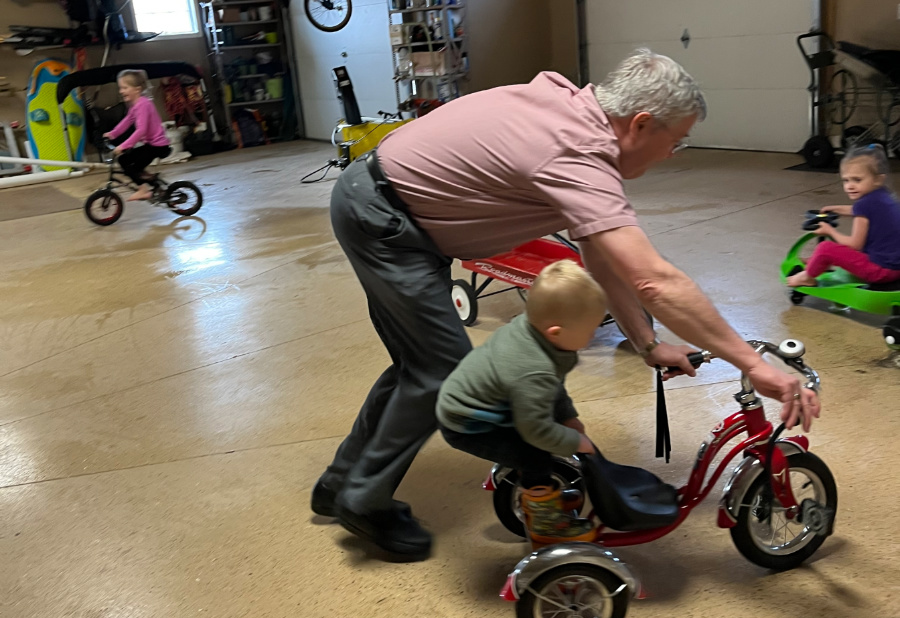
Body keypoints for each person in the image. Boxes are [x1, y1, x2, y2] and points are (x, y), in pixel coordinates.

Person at [311, 48, 821, 563]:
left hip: (386, 205)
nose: (674, 153)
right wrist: (754, 365)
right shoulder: (577, 154)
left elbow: (601, 257)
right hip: (387, 221)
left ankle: (339, 483)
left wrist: (647, 344)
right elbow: (654, 280)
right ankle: (364, 500)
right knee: (439, 375)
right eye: (676, 140)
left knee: (417, 366)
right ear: (641, 124)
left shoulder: (572, 107)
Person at [436, 260, 605, 547]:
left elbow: (552, 387)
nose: (594, 336)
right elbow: (536, 429)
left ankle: (544, 496)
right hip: (468, 423)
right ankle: (545, 525)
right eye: (590, 331)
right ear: (556, 331)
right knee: (533, 453)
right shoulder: (532, 370)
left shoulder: (534, 332)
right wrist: (574, 442)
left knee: (540, 441)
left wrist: (567, 416)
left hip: (489, 406)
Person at [787, 144, 900, 287]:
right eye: (846, 180)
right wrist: (836, 209)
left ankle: (806, 277)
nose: (850, 186)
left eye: (857, 180)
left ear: (878, 179)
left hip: (880, 271)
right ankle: (819, 262)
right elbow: (862, 211)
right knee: (842, 249)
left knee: (826, 248)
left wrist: (830, 231)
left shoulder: (864, 204)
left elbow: (855, 245)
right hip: (895, 267)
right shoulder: (883, 195)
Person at [103, 69, 171, 202]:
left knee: (132, 168)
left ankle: (143, 190)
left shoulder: (143, 104)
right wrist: (113, 134)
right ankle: (153, 183)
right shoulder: (136, 105)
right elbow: (127, 120)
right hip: (152, 145)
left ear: (137, 89)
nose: (121, 91)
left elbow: (141, 131)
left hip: (157, 146)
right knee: (124, 160)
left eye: (125, 88)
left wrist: (123, 146)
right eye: (120, 88)